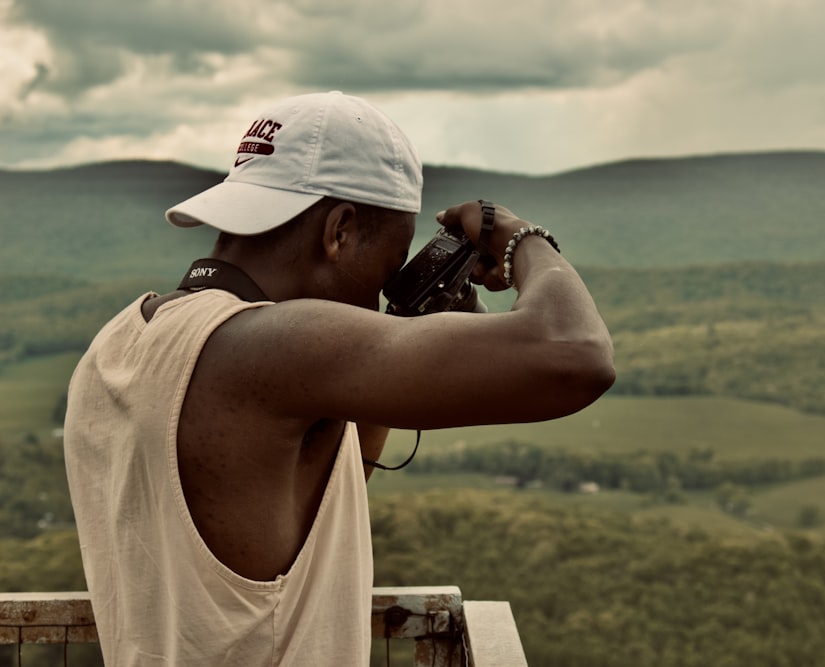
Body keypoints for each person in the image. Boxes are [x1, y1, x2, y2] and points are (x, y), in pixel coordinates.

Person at [63, 91, 615, 666]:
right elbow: (576, 353)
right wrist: (522, 240)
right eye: (391, 261)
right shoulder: (268, 347)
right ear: (341, 231)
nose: (383, 290)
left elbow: (302, 516)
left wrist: (409, 330)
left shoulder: (120, 342)